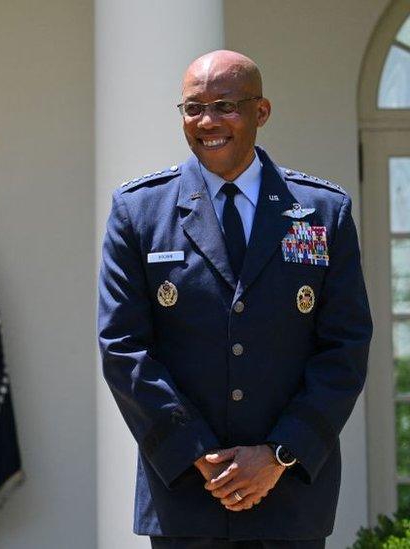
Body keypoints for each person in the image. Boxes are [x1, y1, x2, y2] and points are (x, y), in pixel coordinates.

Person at [98, 50, 372, 548]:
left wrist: (279, 454)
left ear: (261, 112)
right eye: (192, 108)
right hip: (185, 494)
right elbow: (124, 350)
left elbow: (345, 349)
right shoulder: (139, 211)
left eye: (224, 105)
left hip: (289, 498)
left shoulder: (321, 212)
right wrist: (199, 453)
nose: (207, 122)